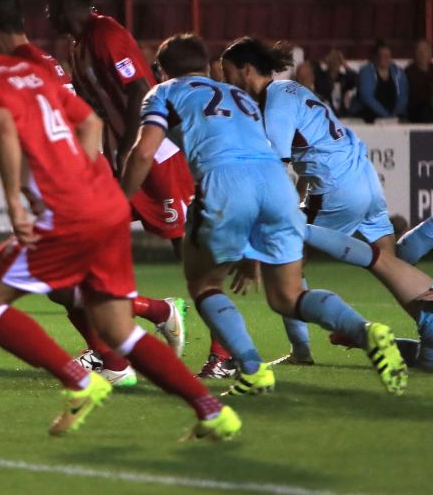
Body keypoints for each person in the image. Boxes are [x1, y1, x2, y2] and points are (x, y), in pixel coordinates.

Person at [0, 0, 240, 440]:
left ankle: (79, 382)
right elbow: (90, 124)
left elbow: (1, 127)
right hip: (106, 203)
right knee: (117, 329)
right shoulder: (33, 72)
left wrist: (18, 199)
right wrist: (78, 173)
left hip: (66, 212)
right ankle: (211, 409)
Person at [121, 33, 408, 397]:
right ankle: (366, 331)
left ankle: (252, 370)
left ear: (162, 69)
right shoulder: (241, 95)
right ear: (206, 67)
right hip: (277, 185)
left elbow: (143, 153)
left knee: (204, 282)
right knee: (287, 296)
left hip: (225, 182)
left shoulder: (162, 93)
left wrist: (119, 200)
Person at [0, 0, 187, 388]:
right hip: (78, 178)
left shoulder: (33, 64)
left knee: (56, 280)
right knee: (62, 283)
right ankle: (140, 332)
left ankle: (188, 355)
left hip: (92, 177)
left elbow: (89, 118)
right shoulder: (42, 58)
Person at [222, 36, 433, 370]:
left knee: (287, 266)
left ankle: (303, 351)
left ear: (247, 70)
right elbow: (309, 148)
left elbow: (276, 170)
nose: (225, 82)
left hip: (336, 189)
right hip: (365, 181)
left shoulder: (273, 104)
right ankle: (430, 336)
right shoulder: (292, 91)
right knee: (392, 266)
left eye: (227, 73)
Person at [44, 0, 195, 260]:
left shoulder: (107, 34)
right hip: (124, 154)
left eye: (48, 0)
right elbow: (92, 104)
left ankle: (212, 296)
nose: (46, 11)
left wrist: (126, 151)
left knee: (182, 239)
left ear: (64, 1)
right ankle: (112, 301)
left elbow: (139, 89)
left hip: (153, 153)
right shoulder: (79, 46)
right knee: (93, 226)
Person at [357, 40, 408, 123]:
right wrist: (385, 115)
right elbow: (366, 97)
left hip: (395, 115)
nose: (386, 58)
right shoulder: (366, 71)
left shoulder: (398, 72)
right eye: (383, 56)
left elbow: (403, 97)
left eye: (388, 56)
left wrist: (394, 115)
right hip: (372, 115)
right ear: (376, 57)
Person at [313, 48, 357, 118]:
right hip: (326, 115)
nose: (335, 63)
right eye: (333, 59)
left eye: (337, 60)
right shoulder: (321, 78)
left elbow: (355, 79)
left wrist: (344, 64)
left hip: (342, 115)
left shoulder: (343, 78)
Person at [405, 39, 433, 123]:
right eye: (419, 51)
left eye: (425, 50)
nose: (422, 54)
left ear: (430, 53)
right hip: (417, 111)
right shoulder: (408, 73)